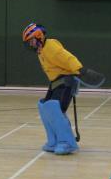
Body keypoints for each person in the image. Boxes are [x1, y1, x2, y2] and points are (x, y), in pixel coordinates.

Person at [22, 22, 82, 155]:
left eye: (31, 41)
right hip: (56, 82)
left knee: (55, 109)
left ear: (39, 37)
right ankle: (54, 140)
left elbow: (68, 58)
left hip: (67, 81)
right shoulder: (41, 51)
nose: (30, 44)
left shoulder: (51, 46)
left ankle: (67, 143)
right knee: (45, 107)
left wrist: (80, 69)